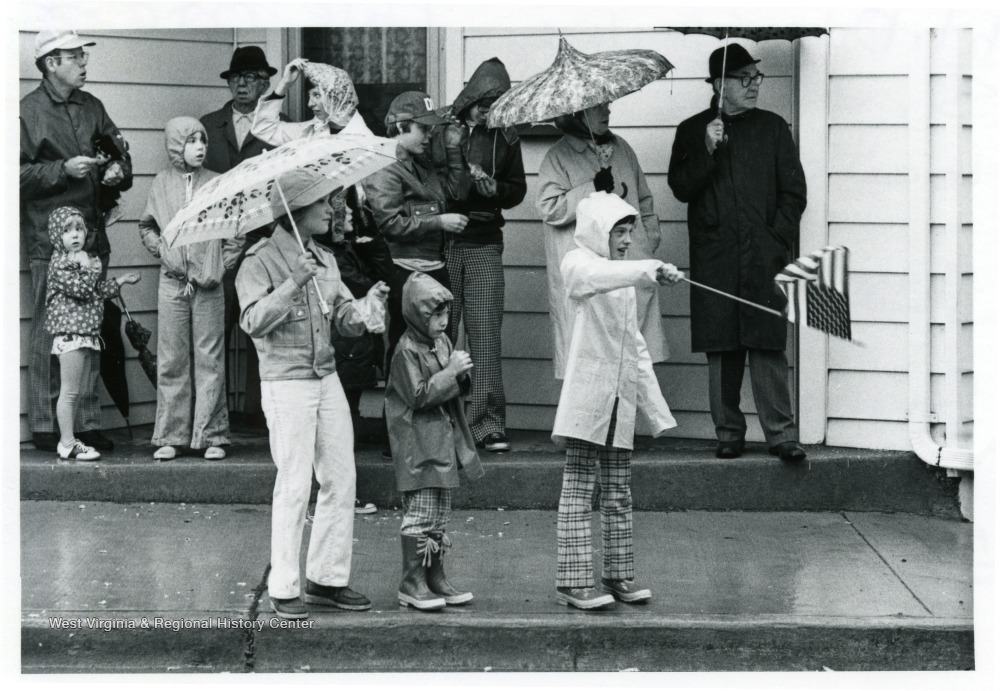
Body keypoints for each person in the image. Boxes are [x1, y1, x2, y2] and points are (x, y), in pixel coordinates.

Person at [236, 167, 389, 620]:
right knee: (295, 483)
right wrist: (293, 282)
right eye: (323, 202)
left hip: (325, 378)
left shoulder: (324, 257)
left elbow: (341, 313)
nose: (331, 210)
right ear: (296, 208)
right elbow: (252, 322)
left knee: (341, 478)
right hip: (286, 383)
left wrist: (365, 311)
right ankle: (284, 587)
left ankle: (326, 579)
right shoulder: (258, 260)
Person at [667, 44, 808, 462]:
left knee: (767, 343)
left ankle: (781, 435)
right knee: (722, 342)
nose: (753, 86)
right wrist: (708, 151)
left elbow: (794, 192)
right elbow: (681, 188)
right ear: (718, 84)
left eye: (756, 78)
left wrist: (777, 238)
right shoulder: (693, 130)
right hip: (717, 254)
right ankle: (728, 432)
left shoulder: (773, 128)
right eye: (743, 79)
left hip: (765, 253)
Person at [551, 192, 681, 610]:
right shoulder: (577, 264)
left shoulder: (625, 280)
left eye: (630, 232)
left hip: (618, 401)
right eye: (618, 232)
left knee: (619, 492)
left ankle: (617, 573)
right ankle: (573, 582)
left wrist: (657, 413)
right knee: (578, 489)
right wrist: (650, 269)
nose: (626, 240)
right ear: (595, 232)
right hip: (588, 399)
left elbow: (636, 348)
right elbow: (592, 276)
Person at [20, 30, 133, 452]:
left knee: (92, 331)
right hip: (49, 245)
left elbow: (121, 153)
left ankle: (84, 424)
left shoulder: (94, 106)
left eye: (84, 56)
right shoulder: (26, 112)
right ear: (51, 62)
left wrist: (118, 171)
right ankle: (49, 427)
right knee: (50, 334)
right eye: (75, 57)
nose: (84, 63)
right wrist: (63, 169)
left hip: (93, 239)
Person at [428, 57, 526, 454]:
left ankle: (487, 424)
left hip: (485, 241)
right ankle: (438, 424)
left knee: (484, 337)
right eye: (485, 104)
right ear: (470, 98)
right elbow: (427, 181)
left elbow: (517, 190)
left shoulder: (508, 136)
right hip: (444, 243)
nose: (490, 112)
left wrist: (495, 190)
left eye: (498, 105)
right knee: (441, 336)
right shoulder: (440, 131)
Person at [536, 102, 668, 382]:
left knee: (633, 361)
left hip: (628, 265)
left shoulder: (622, 148)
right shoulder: (558, 156)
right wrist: (590, 188)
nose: (607, 112)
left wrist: (647, 239)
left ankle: (626, 427)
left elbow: (644, 200)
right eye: (597, 107)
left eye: (607, 105)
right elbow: (550, 208)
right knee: (593, 367)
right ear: (576, 113)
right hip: (591, 276)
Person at [138, 117, 241, 461]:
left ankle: (212, 434)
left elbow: (236, 232)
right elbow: (147, 227)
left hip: (209, 286)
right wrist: (164, 252)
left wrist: (220, 267)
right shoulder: (162, 184)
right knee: (171, 358)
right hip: (173, 284)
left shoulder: (216, 183)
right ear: (175, 146)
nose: (200, 147)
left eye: (203, 140)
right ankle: (171, 434)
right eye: (191, 141)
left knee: (210, 358)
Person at [384, 272, 484, 611]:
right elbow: (419, 396)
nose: (442, 322)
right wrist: (450, 373)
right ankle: (411, 581)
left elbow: (452, 387)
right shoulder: (405, 351)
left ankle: (434, 576)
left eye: (445, 315)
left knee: (439, 513)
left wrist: (460, 373)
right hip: (418, 445)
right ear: (416, 315)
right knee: (421, 513)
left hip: (439, 443)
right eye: (434, 315)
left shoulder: (438, 343)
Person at [201, 45, 286, 433]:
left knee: (261, 325)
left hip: (263, 240)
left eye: (250, 78)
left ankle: (258, 412)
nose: (241, 85)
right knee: (214, 329)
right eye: (236, 78)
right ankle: (211, 415)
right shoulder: (207, 126)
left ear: (266, 84)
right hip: (215, 242)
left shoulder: (280, 128)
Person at [363, 91, 469, 378]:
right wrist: (439, 223)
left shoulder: (420, 163)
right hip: (406, 271)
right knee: (404, 350)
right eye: (423, 129)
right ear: (400, 127)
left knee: (438, 348)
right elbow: (391, 224)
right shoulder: (383, 165)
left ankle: (431, 418)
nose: (428, 136)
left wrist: (454, 150)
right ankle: (397, 421)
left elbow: (455, 193)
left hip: (435, 267)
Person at [45, 207, 140, 461]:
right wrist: (90, 266)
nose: (75, 235)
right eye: (67, 230)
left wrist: (119, 282)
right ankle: (66, 443)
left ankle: (71, 439)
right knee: (70, 391)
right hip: (70, 334)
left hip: (86, 333)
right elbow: (83, 289)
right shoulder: (60, 263)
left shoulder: (82, 259)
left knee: (77, 391)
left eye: (79, 229)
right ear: (57, 236)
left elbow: (96, 290)